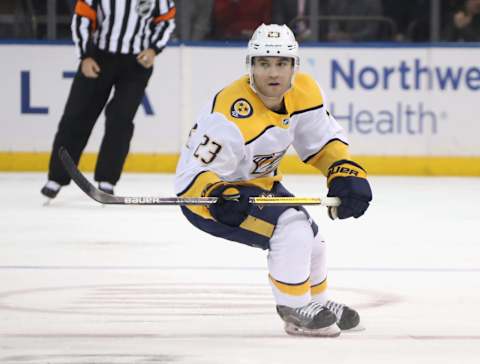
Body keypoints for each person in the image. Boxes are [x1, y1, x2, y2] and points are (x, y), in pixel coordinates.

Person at [174, 24, 372, 337]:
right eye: (263, 63)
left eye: (282, 63)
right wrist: (216, 193)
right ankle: (294, 309)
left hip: (261, 184)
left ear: (295, 66)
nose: (273, 73)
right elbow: (191, 176)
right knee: (292, 227)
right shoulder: (229, 112)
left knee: (312, 238)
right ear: (250, 67)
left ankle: (315, 302)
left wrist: (345, 172)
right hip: (211, 200)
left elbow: (322, 144)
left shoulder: (304, 92)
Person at [41, 0, 176, 199]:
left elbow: (166, 20)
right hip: (99, 57)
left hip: (136, 63)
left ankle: (107, 179)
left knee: (120, 120)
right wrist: (85, 56)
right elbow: (82, 18)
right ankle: (57, 176)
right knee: (76, 116)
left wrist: (153, 49)